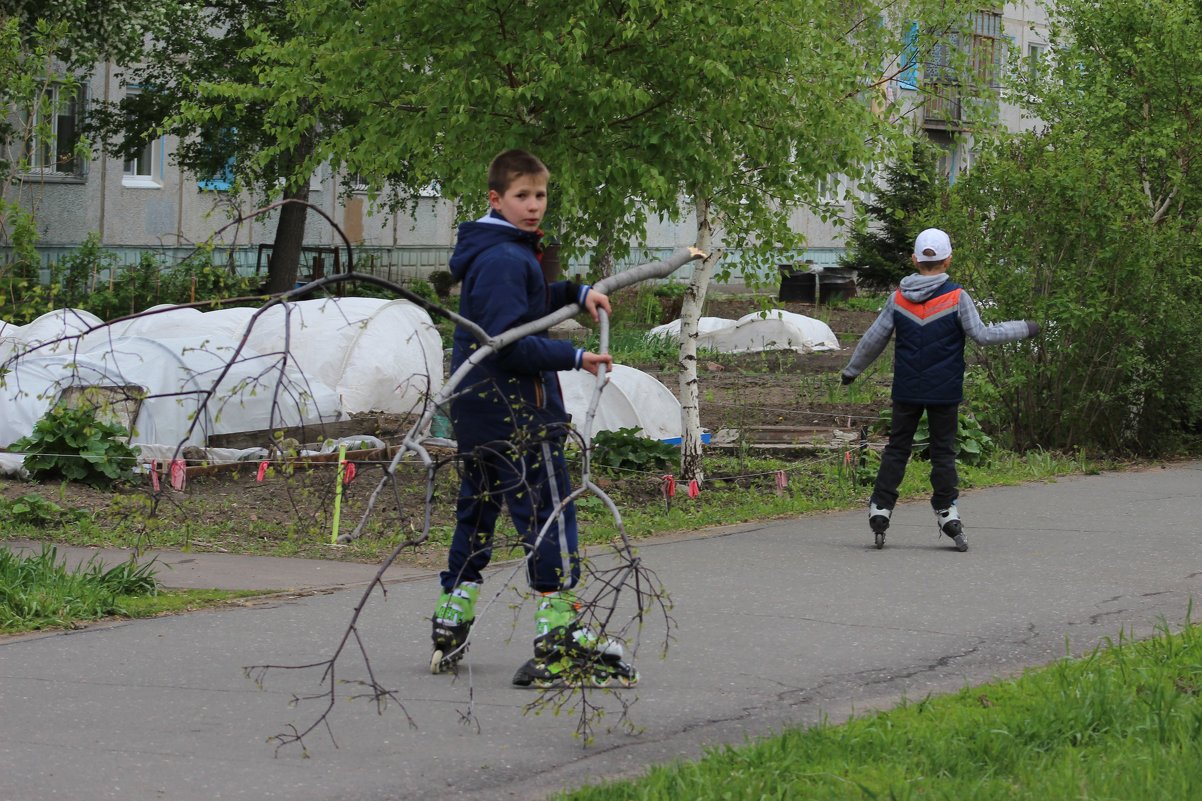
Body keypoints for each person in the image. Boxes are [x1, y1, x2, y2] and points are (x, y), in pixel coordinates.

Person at [429, 148, 638, 688]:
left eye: (540, 195)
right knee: (549, 517)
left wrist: (574, 292)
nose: (534, 206)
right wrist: (574, 356)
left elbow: (525, 305)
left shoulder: (495, 253)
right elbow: (510, 344)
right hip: (518, 415)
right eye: (522, 196)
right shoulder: (505, 258)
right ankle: (558, 636)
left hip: (477, 414)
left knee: (477, 514)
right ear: (495, 199)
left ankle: (453, 613)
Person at [840, 228, 1039, 552]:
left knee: (897, 449)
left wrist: (852, 371)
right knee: (943, 453)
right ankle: (947, 513)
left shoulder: (898, 298)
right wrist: (1026, 328)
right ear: (949, 259)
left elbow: (873, 339)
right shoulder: (957, 297)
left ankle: (881, 508)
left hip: (906, 390)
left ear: (914, 259)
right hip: (944, 393)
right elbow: (984, 335)